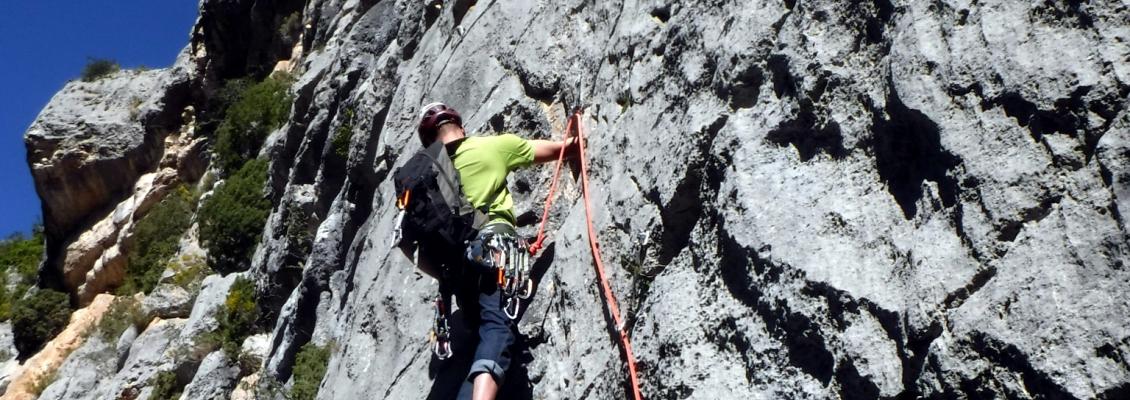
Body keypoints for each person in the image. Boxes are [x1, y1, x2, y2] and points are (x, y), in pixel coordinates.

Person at [412, 102, 578, 400]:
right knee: (497, 328)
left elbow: (409, 245)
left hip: (457, 274)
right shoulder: (490, 147)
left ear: (429, 143)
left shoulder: (423, 179)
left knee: (480, 337)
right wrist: (575, 140)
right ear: (460, 127)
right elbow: (556, 150)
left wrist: (442, 275)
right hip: (493, 249)